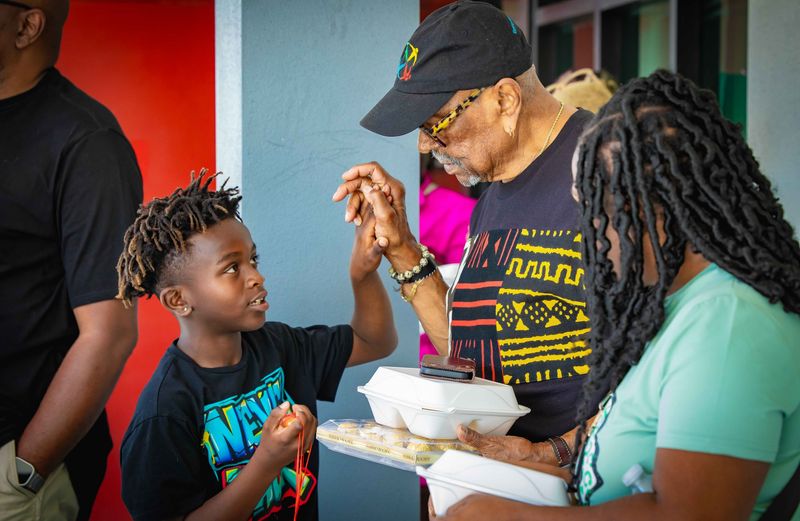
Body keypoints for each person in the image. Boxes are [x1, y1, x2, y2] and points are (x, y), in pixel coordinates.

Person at [431, 70, 800, 520]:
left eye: (598, 211)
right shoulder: (677, 306)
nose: (591, 237)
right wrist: (538, 463)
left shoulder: (728, 325)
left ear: (656, 206)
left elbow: (689, 513)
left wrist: (514, 516)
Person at [333, 0, 600, 466]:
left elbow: (667, 367)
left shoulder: (606, 171)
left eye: (436, 121)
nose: (423, 143)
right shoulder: (493, 192)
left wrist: (552, 453)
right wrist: (400, 246)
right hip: (503, 484)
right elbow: (467, 358)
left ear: (505, 99)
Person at [117, 172, 397, 521]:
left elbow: (375, 341)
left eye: (253, 260)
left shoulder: (280, 345)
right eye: (232, 268)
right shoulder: (164, 410)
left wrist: (362, 274)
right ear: (178, 300)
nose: (256, 276)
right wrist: (266, 462)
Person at [0, 1, 142, 519]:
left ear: (27, 25)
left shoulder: (85, 142)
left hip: (15, 461)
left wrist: (23, 475)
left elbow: (109, 334)